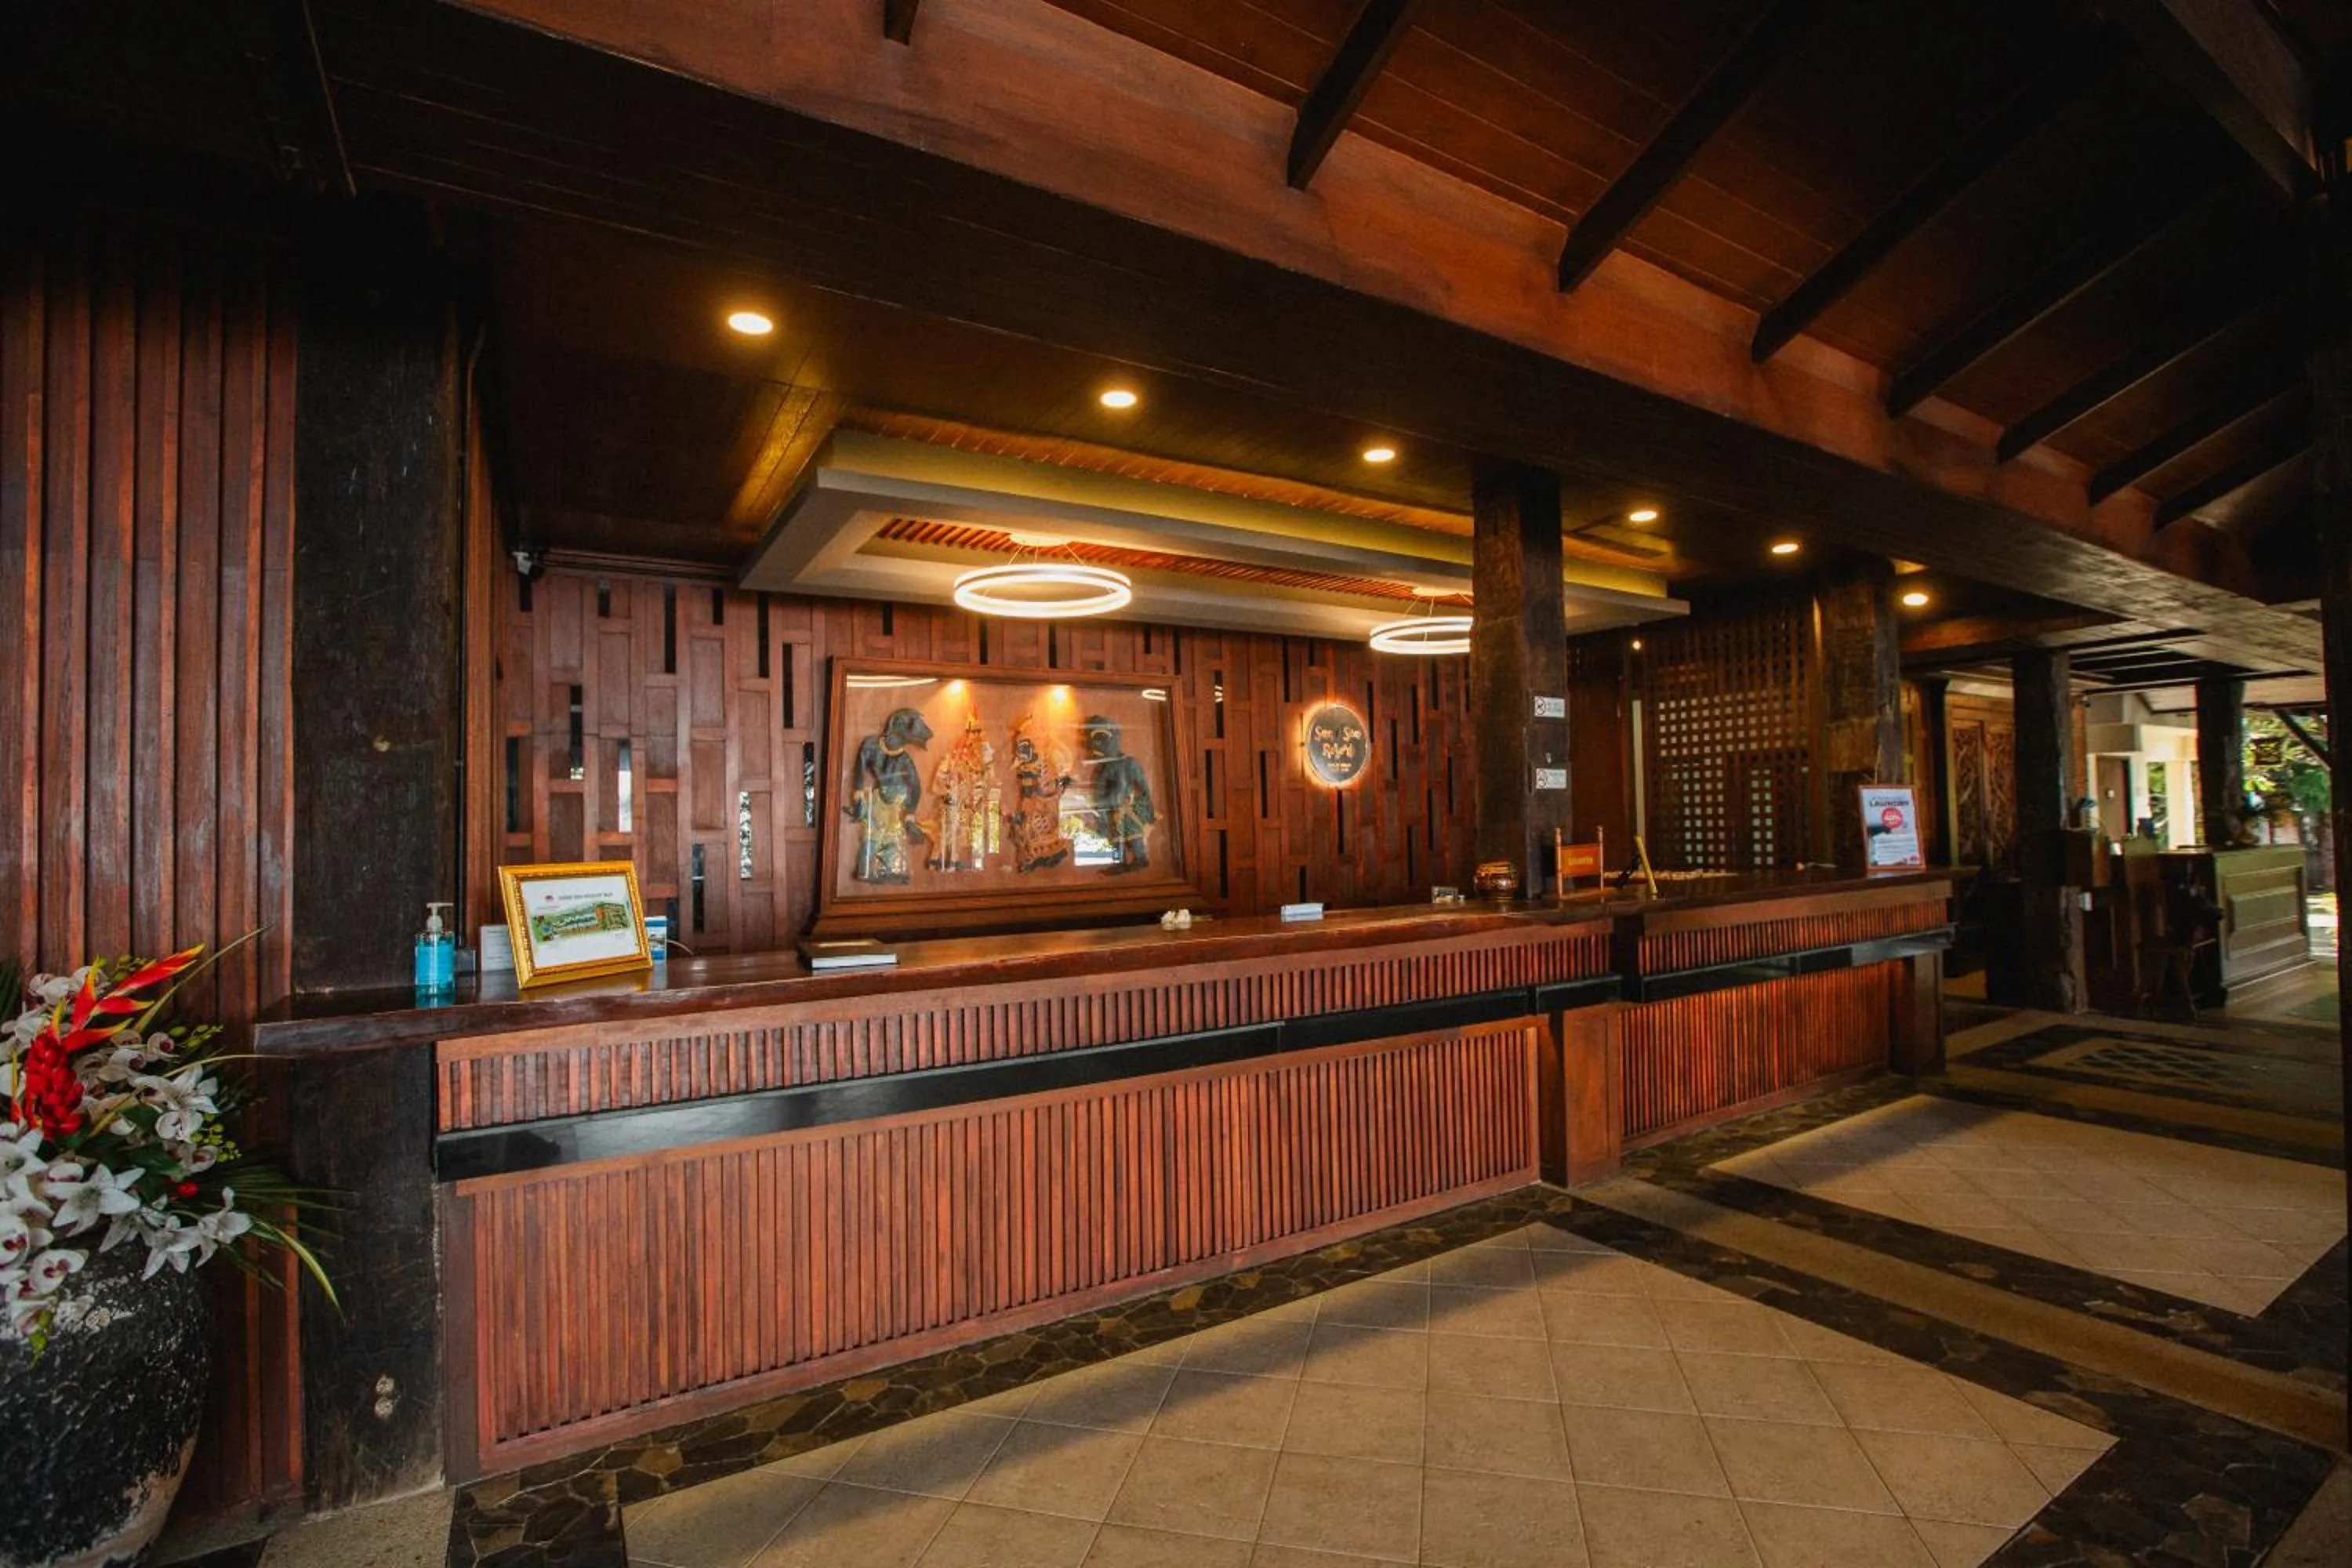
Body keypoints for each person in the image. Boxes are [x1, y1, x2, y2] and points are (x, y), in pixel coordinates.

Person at [846, 707, 931, 883]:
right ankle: (866, 870)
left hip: (896, 802)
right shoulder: (871, 746)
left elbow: (916, 787)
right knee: (872, 835)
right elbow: (860, 773)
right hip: (879, 799)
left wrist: (910, 816)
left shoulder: (904, 759)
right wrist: (859, 798)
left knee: (892, 836)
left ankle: (887, 871)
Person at [1080, 714, 1155, 873]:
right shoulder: (1106, 768)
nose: (1097, 745)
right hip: (1113, 810)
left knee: (1133, 834)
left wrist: (1146, 805)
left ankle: (1140, 858)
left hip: (1127, 809)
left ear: (1113, 739)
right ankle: (1119, 863)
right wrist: (1099, 811)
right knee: (1116, 837)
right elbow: (1099, 793)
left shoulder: (1129, 763)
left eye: (1101, 738)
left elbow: (1144, 787)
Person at [1005, 713, 1073, 873]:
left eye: (1025, 747)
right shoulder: (1025, 767)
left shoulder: (1045, 766)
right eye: (1019, 747)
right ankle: (1032, 858)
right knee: (1027, 831)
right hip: (1030, 804)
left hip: (1043, 806)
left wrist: (1038, 793)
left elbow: (1049, 788)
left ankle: (1046, 856)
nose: (1021, 752)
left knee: (1038, 830)